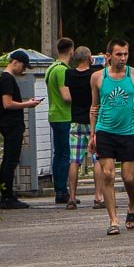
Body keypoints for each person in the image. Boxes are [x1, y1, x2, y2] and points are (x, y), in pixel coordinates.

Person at [89, 39, 134, 235]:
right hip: (105, 131)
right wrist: (92, 133)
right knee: (108, 174)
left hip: (128, 132)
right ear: (109, 56)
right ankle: (113, 220)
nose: (123, 58)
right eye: (119, 54)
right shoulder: (98, 77)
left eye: (125, 54)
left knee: (129, 178)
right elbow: (95, 107)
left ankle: (132, 203)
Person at [0, 50, 42, 210]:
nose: (24, 70)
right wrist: (26, 104)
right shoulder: (7, 79)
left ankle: (7, 194)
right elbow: (7, 103)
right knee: (10, 160)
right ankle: (7, 196)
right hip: (12, 125)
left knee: (9, 160)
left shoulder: (4, 78)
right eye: (23, 66)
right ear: (15, 62)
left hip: (9, 125)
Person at [64, 46, 103, 210]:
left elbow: (68, 96)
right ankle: (98, 197)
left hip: (76, 120)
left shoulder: (69, 74)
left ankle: (72, 197)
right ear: (89, 58)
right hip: (94, 120)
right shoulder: (95, 74)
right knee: (97, 160)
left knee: (74, 161)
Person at [45, 37, 74, 204]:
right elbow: (66, 96)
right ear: (71, 50)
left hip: (53, 114)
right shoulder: (62, 70)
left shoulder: (51, 68)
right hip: (64, 115)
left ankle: (59, 188)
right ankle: (62, 191)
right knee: (65, 155)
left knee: (58, 154)